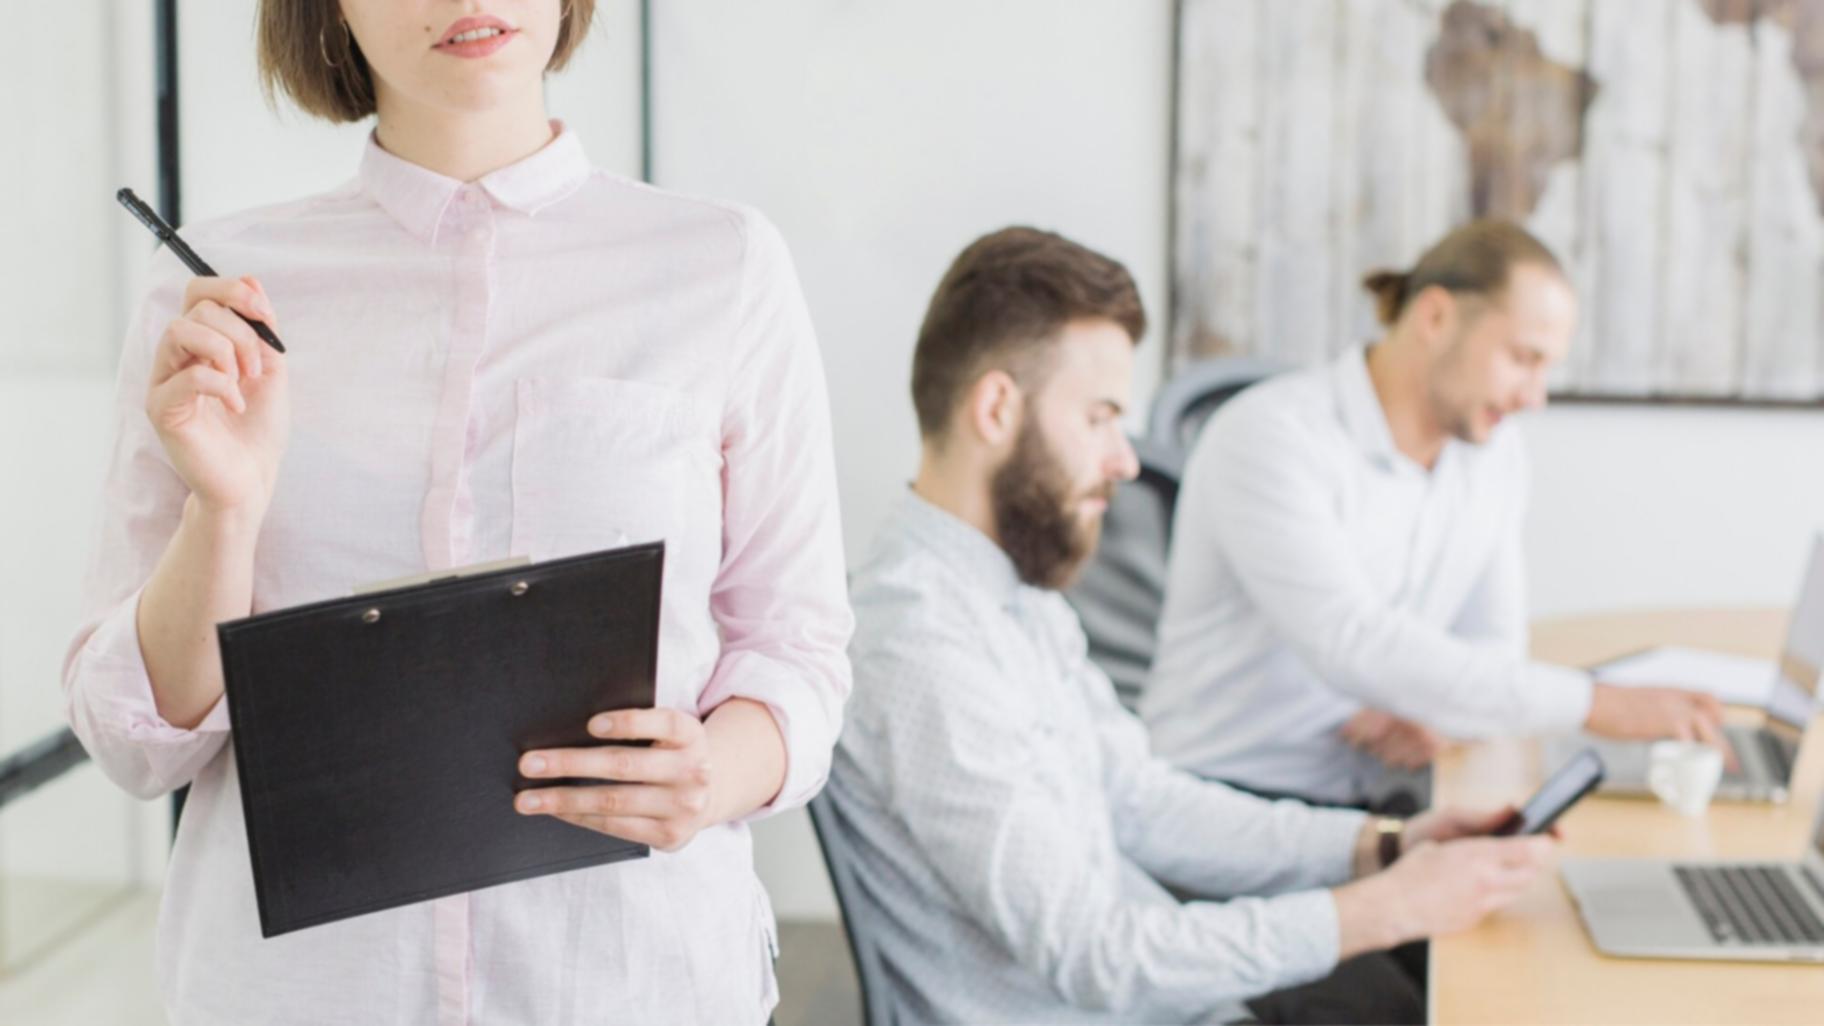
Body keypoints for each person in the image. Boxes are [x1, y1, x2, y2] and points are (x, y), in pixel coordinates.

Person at [60, 3, 851, 1022]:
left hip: (627, 983)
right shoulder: (216, 296)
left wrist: (718, 772)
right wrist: (226, 508)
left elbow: (796, 648)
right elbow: (136, 744)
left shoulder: (722, 266)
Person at [824, 226, 1555, 1025]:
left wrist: (1386, 846)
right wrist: (1387, 907)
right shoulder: (923, 648)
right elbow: (1097, 956)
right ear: (997, 409)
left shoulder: (1015, 599)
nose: (1126, 460)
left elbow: (1141, 803)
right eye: (1100, 418)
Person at [1141, 219, 1725, 808]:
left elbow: (1493, 647)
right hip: (1222, 798)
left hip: (1379, 792)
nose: (1534, 397)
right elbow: (1352, 641)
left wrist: (1435, 708)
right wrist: (1597, 704)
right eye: (1522, 358)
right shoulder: (1270, 436)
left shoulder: (1493, 455)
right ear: (1435, 317)